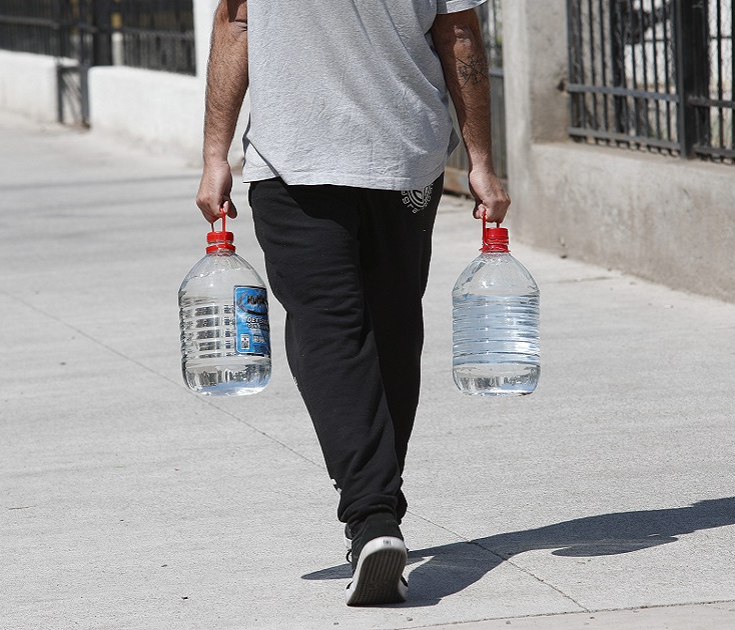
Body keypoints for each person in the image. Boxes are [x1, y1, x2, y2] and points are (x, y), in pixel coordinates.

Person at [195, 0, 510, 606]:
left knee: (350, 334)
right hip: (327, 161)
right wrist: (481, 162)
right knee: (364, 330)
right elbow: (461, 34)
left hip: (383, 160)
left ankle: (374, 518)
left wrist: (215, 154)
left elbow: (233, 22)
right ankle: (374, 517)